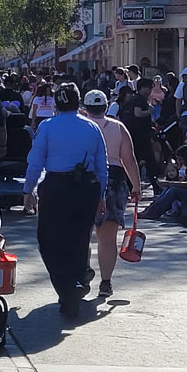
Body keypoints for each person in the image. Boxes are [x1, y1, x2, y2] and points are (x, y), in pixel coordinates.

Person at [23, 83, 107, 318]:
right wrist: (102, 194)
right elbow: (102, 165)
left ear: (57, 104)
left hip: (57, 186)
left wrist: (28, 190)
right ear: (78, 102)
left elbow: (36, 161)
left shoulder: (48, 127)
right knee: (79, 239)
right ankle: (78, 278)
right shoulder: (92, 127)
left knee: (49, 240)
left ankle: (68, 286)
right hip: (86, 187)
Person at [83, 90, 141, 298]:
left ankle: (83, 270)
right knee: (107, 238)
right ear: (106, 106)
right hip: (114, 180)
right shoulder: (118, 127)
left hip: (85, 180)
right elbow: (129, 159)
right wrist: (136, 186)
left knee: (82, 233)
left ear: (85, 107)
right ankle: (105, 282)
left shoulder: (82, 126)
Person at [140, 145, 187, 220]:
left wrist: (168, 183)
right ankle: (149, 210)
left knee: (174, 190)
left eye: (181, 159)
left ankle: (152, 213)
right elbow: (184, 181)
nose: (180, 162)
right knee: (170, 189)